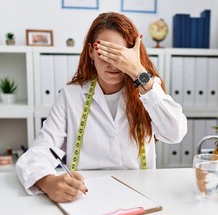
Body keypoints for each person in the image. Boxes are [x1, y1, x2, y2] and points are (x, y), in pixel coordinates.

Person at [16, 12, 187, 203]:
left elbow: (175, 133)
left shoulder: (148, 90)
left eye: (119, 54)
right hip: (85, 197)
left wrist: (138, 72)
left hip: (139, 196)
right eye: (104, 51)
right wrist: (48, 182)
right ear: (90, 52)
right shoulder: (70, 96)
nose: (112, 62)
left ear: (132, 55)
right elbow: (40, 151)